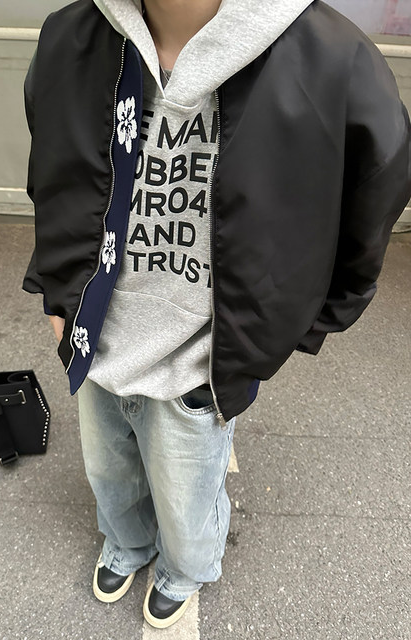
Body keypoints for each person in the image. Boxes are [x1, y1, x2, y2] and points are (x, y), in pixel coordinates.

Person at [22, 0, 411, 629]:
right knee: (109, 471)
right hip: (98, 339)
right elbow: (54, 172)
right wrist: (54, 288)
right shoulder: (73, 35)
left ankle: (186, 568)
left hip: (203, 356)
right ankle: (127, 542)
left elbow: (373, 197)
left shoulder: (332, 58)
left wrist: (289, 328)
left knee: (188, 493)